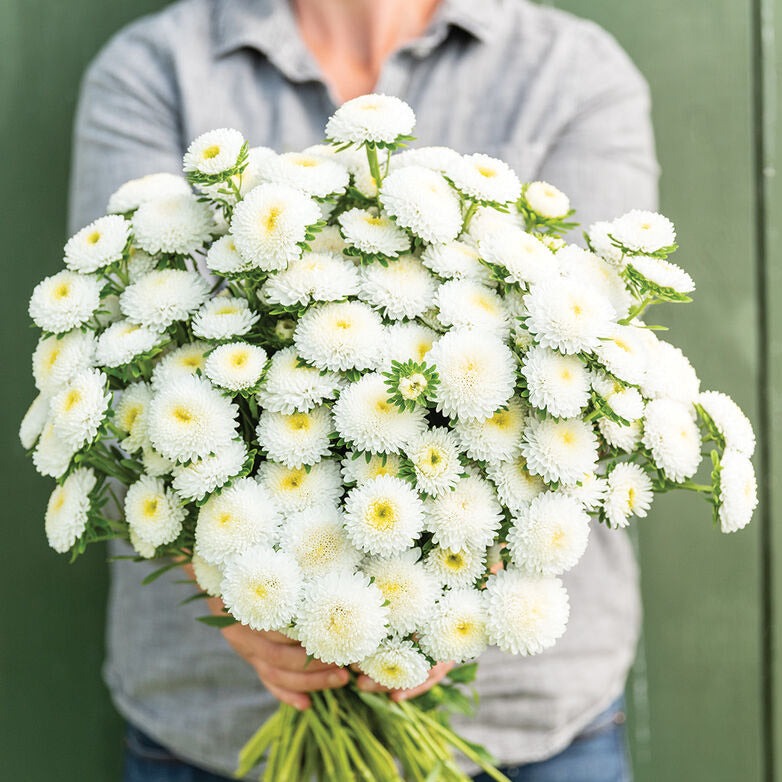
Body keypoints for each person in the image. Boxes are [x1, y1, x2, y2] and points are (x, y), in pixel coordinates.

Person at [69, 0, 658, 779]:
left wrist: (444, 608)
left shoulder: (573, 70)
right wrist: (241, 594)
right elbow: (125, 370)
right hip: (214, 722)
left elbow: (593, 375)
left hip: (530, 729)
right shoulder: (154, 69)